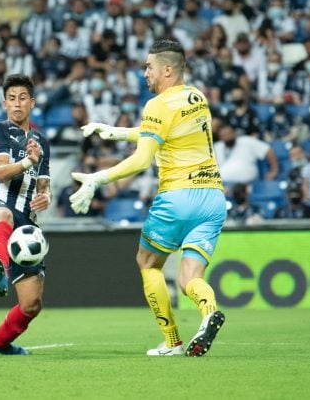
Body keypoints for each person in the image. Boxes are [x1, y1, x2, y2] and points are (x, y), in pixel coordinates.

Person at [69, 39, 227, 357]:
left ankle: (172, 342)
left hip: (177, 197)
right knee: (190, 277)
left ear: (166, 69)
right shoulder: (197, 97)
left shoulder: (156, 105)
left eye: (148, 66)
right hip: (213, 199)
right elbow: (166, 130)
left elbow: (142, 160)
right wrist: (115, 131)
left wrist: (96, 179)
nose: (144, 73)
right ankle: (209, 312)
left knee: (147, 262)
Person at [0, 74, 52, 355]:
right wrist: (28, 160)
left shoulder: (42, 140)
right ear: (4, 103)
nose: (17, 104)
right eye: (11, 98)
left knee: (32, 304)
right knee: (4, 214)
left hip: (26, 223)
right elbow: (0, 171)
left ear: (31, 103)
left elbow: (44, 183)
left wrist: (46, 197)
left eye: (22, 98)